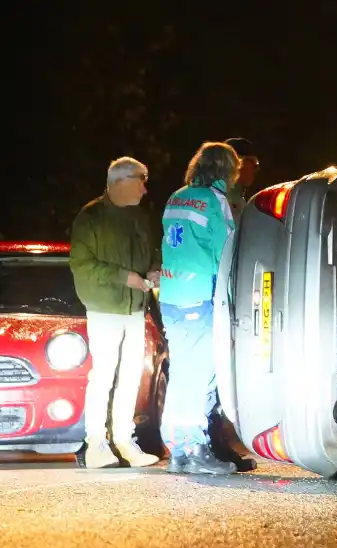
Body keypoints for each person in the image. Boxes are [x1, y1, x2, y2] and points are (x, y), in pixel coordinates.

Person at [68, 157, 162, 469]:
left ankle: (124, 439)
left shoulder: (138, 217)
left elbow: (151, 253)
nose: (145, 189)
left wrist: (154, 270)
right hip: (104, 308)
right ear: (121, 181)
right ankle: (96, 442)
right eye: (141, 180)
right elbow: (82, 265)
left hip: (134, 307)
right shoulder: (91, 216)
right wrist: (126, 277)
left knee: (131, 377)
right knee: (104, 374)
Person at [158, 142, 241, 475]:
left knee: (182, 372)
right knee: (199, 376)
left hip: (172, 294)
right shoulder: (214, 201)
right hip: (200, 296)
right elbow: (227, 251)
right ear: (225, 170)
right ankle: (194, 449)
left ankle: (178, 451)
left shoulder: (175, 197)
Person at [224, 137, 259, 221]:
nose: (256, 169)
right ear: (237, 162)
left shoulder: (239, 200)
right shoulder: (218, 198)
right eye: (254, 163)